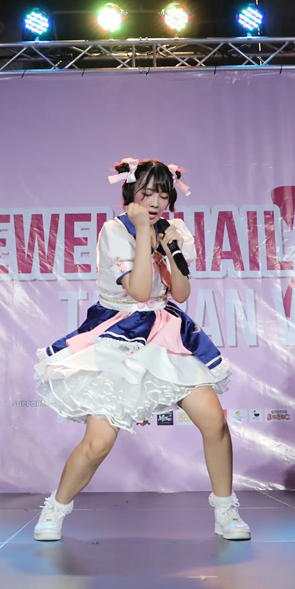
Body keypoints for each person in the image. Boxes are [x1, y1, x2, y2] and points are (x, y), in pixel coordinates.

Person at [32, 158, 249, 542]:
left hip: (164, 331)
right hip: (118, 333)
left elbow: (180, 292)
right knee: (98, 443)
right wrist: (146, 233)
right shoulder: (114, 231)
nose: (155, 202)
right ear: (131, 193)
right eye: (147, 193)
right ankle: (56, 508)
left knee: (214, 421)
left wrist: (171, 249)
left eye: (163, 194)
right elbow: (139, 291)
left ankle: (225, 511)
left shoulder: (174, 230)